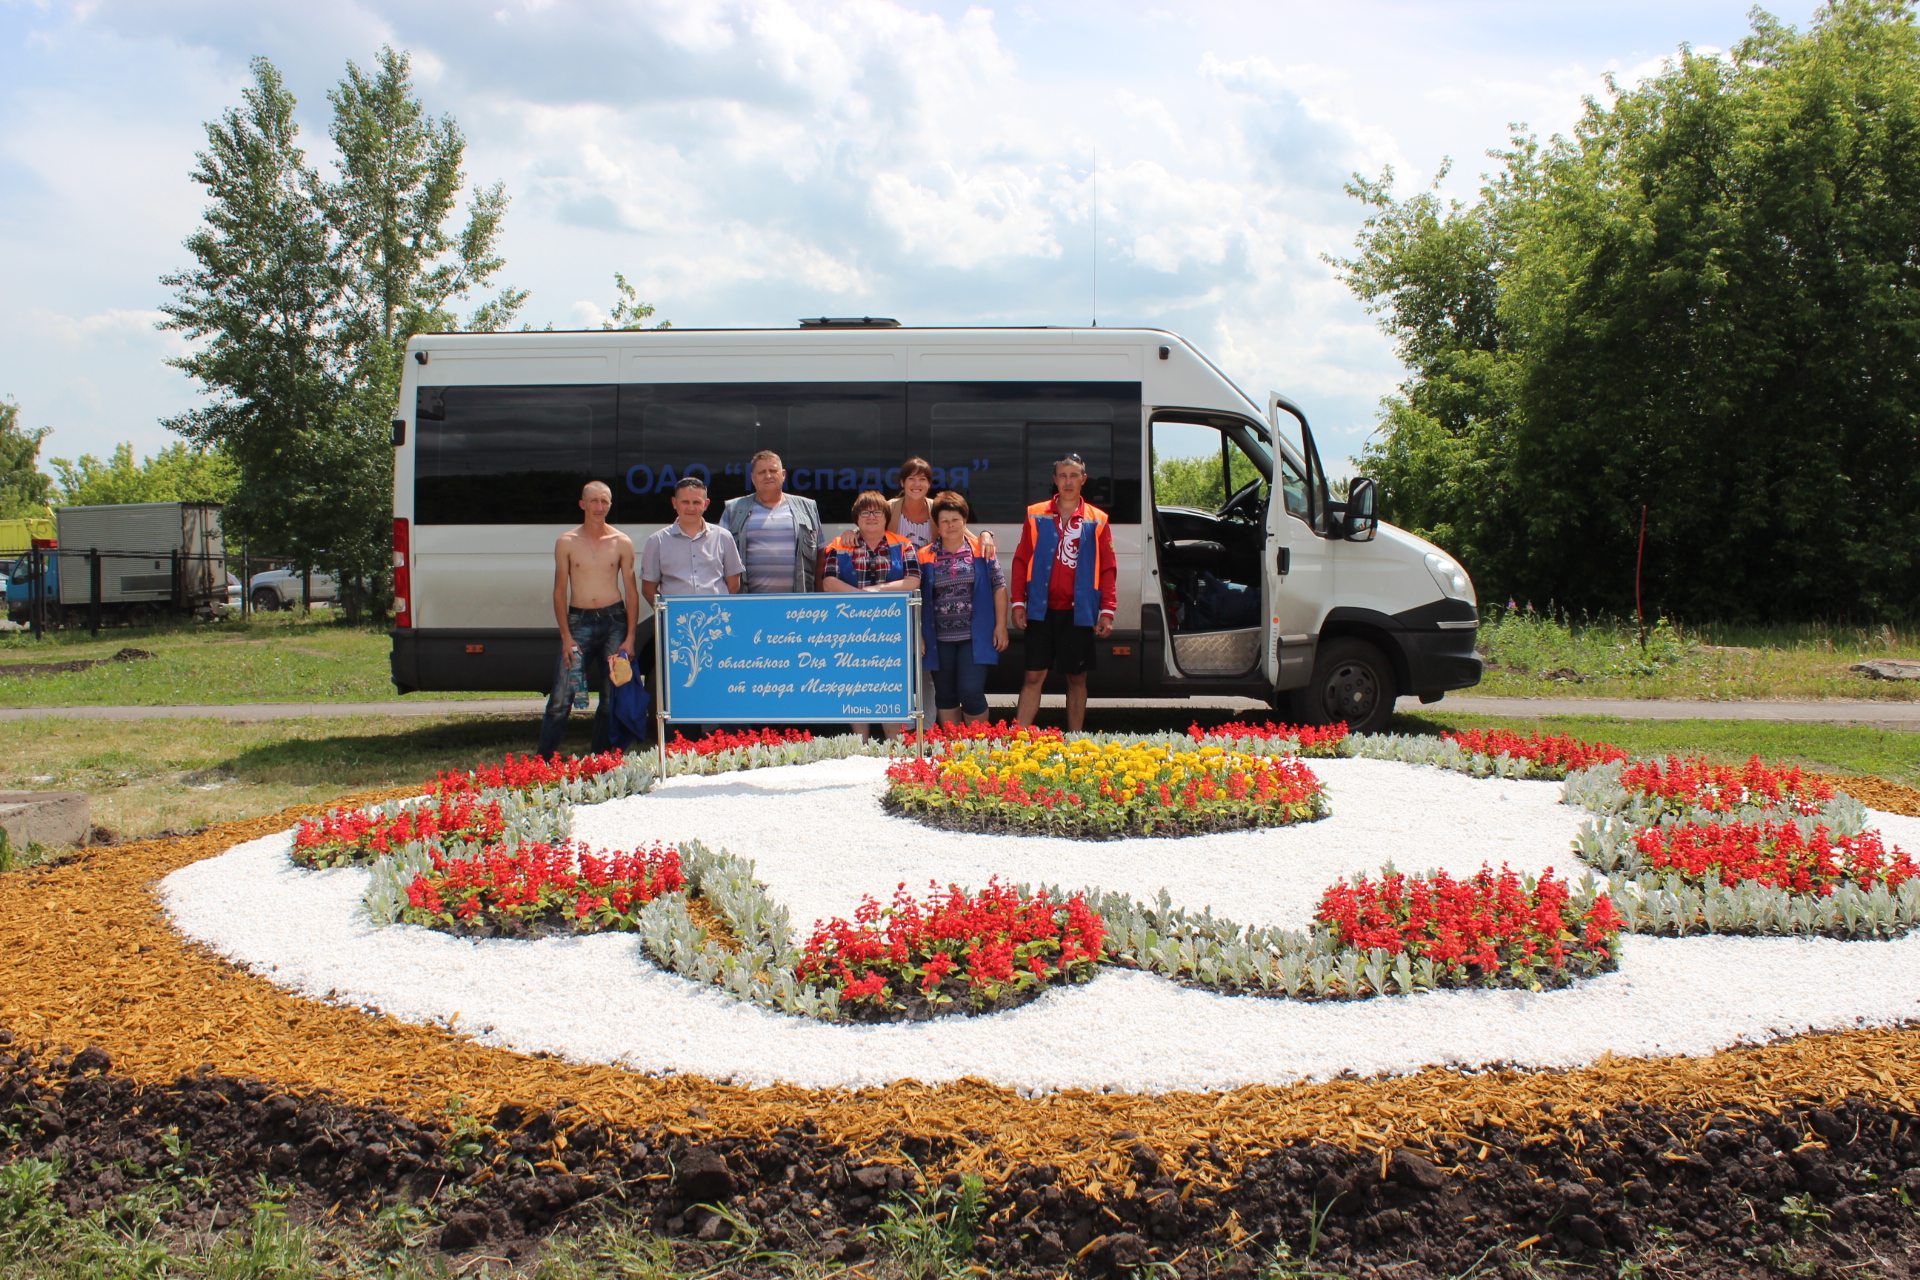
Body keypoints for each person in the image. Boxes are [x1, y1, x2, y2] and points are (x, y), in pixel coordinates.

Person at [1009, 453, 1117, 732]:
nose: (1068, 482)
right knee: (1033, 676)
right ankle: (1016, 741)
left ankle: (1076, 740)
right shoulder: (1035, 514)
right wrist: (1018, 602)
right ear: (1055, 480)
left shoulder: (1098, 519)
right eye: (1063, 476)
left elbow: (1108, 568)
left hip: (1079, 611)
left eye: (1074, 475)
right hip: (1041, 609)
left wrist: (1107, 610)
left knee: (1077, 677)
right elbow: (1021, 560)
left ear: (1083, 479)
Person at [537, 480, 641, 758]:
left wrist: (630, 638)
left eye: (604, 501)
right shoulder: (567, 542)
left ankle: (600, 760)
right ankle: (543, 762)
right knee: (562, 695)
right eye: (594, 501)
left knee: (610, 698)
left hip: (614, 621)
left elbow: (632, 593)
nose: (599, 506)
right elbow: (559, 592)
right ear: (582, 504)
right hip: (579, 622)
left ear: (610, 504)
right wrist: (566, 636)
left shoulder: (621, 542)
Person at [822, 490, 922, 739]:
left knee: (891, 686)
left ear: (886, 517)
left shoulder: (903, 544)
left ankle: (893, 745)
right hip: (851, 629)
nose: (871, 516)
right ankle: (860, 746)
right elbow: (829, 583)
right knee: (855, 685)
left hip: (893, 629)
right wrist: (862, 598)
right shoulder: (840, 544)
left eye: (877, 511)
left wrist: (877, 590)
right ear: (856, 518)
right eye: (865, 512)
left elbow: (913, 580)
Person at [918, 491, 1008, 724]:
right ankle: (951, 749)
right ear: (937, 524)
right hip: (939, 638)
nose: (950, 525)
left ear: (965, 520)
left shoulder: (983, 550)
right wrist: (919, 634)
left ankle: (975, 748)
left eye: (955, 519)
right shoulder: (924, 555)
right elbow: (916, 599)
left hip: (974, 637)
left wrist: (1000, 626)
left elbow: (999, 588)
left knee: (971, 691)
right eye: (944, 521)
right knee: (945, 694)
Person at [722, 450, 821, 594]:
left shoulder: (807, 507)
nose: (768, 475)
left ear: (783, 475)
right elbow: (720, 555)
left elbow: (821, 552)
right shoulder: (734, 509)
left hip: (797, 604)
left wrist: (819, 594)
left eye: (773, 470)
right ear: (752, 478)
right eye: (762, 472)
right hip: (747, 604)